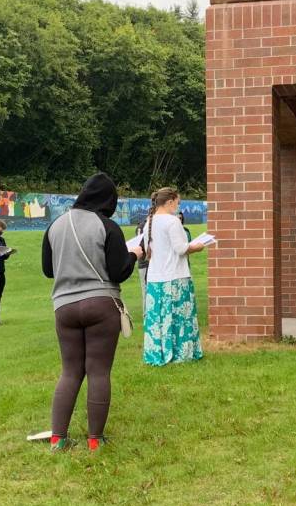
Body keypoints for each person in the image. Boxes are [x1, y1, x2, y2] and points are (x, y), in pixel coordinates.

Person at [42, 173, 143, 451]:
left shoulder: (55, 225)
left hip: (64, 307)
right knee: (98, 371)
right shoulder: (106, 226)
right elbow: (119, 271)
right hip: (101, 304)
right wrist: (135, 254)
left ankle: (57, 438)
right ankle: (95, 441)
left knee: (70, 372)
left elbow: (48, 270)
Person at [143, 187, 206, 366]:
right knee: (180, 316)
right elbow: (181, 248)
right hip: (175, 277)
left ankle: (157, 352)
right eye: (177, 203)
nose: (178, 207)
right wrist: (198, 246)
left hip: (156, 279)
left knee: (158, 319)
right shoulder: (172, 222)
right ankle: (181, 353)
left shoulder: (150, 221)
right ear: (170, 201)